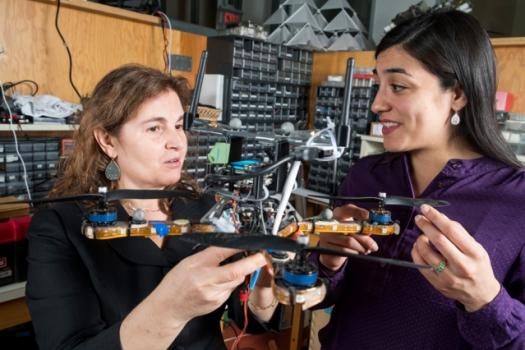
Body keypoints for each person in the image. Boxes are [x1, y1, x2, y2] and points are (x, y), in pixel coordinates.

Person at [314, 10, 525, 349]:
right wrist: (327, 260)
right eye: (377, 85)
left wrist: (486, 300)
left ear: (457, 94)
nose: (377, 104)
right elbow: (325, 294)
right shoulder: (365, 176)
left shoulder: (516, 200)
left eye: (398, 86)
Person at [25, 64, 275, 349]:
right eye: (155, 128)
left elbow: (248, 317)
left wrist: (264, 288)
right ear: (107, 140)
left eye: (179, 126)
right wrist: (170, 310)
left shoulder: (205, 207)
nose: (177, 142)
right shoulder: (60, 227)